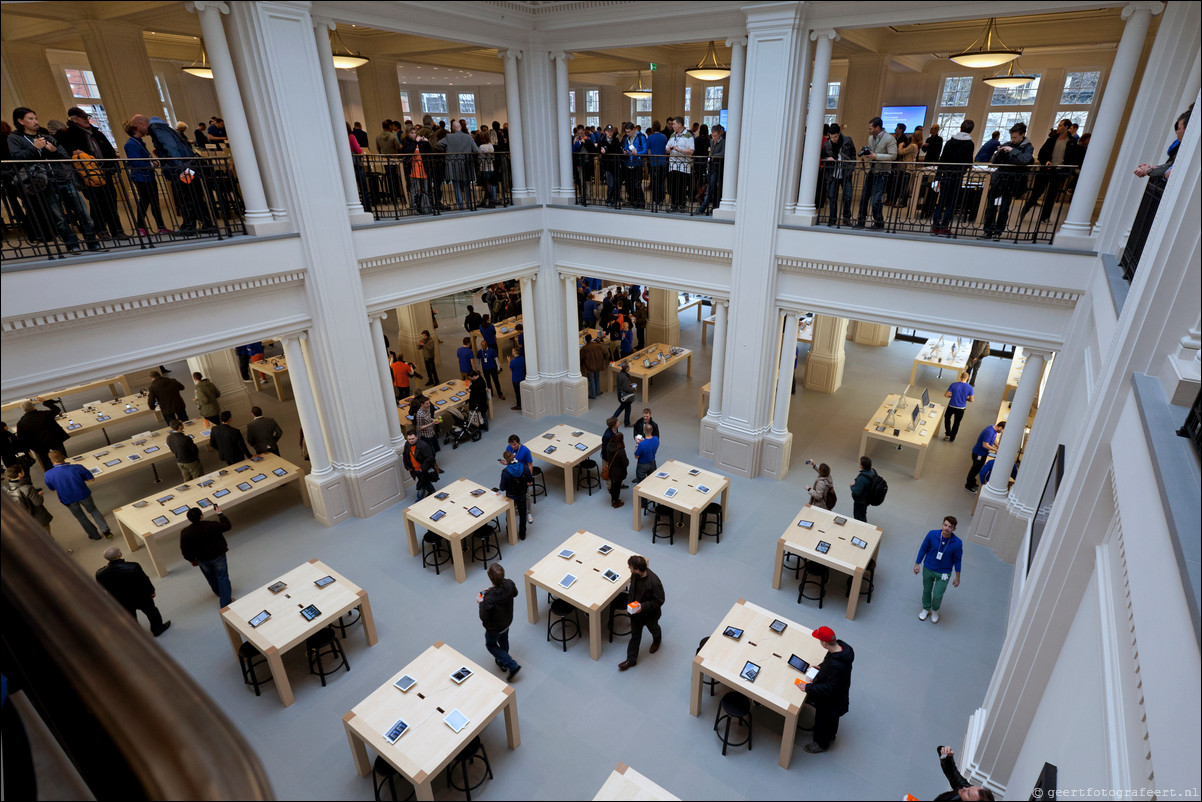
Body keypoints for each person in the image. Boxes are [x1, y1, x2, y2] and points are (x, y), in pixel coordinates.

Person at [130, 114, 215, 236]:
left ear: (141, 124)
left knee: (186, 196)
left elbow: (170, 147)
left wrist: (179, 168)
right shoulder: (163, 127)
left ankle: (189, 227)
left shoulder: (155, 128)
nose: (140, 132)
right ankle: (207, 224)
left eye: (137, 128)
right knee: (195, 195)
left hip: (183, 168)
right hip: (190, 166)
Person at [800, 626, 855, 753]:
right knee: (832, 720)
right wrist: (821, 667)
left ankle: (821, 744)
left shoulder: (837, 665)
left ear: (824, 643)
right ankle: (830, 735)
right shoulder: (841, 649)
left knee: (823, 720)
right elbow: (829, 662)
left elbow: (829, 689)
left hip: (831, 701)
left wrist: (808, 687)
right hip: (839, 697)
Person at [96, 547, 171, 636]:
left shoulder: (100, 573)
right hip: (140, 596)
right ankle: (157, 628)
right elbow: (144, 580)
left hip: (120, 600)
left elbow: (103, 587)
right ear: (119, 555)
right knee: (151, 611)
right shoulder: (133, 566)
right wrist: (151, 591)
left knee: (130, 617)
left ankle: (137, 633)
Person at [980, 123, 1034, 240]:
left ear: (1022, 135)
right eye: (1011, 137)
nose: (1012, 140)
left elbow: (1025, 160)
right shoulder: (1007, 144)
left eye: (1015, 137)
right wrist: (999, 152)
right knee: (991, 207)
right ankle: (987, 231)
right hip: (998, 180)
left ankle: (997, 232)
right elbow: (995, 162)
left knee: (1004, 208)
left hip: (1011, 182)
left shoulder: (1028, 147)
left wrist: (1012, 151)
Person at [44, 450, 112, 540]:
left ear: (52, 461)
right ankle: (106, 530)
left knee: (81, 517)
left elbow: (52, 488)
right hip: (83, 494)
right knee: (93, 510)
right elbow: (91, 479)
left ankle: (94, 535)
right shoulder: (77, 467)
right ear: (63, 457)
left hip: (68, 499)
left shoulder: (48, 474)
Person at [121, 120, 171, 236]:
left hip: (148, 176)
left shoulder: (139, 142)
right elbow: (136, 162)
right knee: (144, 202)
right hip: (141, 178)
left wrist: (152, 161)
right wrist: (151, 164)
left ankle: (161, 226)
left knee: (154, 202)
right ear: (135, 128)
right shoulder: (131, 144)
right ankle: (141, 227)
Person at [179, 505, 232, 607]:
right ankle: (225, 604)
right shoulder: (212, 525)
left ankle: (218, 592)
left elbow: (184, 549)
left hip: (202, 559)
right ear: (201, 516)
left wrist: (191, 560)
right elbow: (227, 526)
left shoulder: (185, 532)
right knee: (223, 578)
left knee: (210, 577)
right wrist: (220, 514)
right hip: (218, 556)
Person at [618, 554, 664, 670]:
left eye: (630, 567)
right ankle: (631, 660)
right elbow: (632, 590)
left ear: (637, 569)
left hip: (650, 614)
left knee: (654, 629)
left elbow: (659, 600)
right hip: (635, 614)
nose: (629, 569)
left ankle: (657, 639)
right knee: (635, 636)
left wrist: (642, 606)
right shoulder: (634, 575)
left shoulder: (654, 582)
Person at [914, 516, 963, 623]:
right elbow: (923, 548)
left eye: (950, 527)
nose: (946, 528)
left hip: (944, 573)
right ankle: (926, 608)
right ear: (942, 524)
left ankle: (935, 610)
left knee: (937, 595)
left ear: (954, 529)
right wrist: (917, 563)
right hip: (929, 568)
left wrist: (957, 577)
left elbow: (958, 561)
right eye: (945, 525)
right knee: (927, 590)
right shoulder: (932, 534)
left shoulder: (957, 543)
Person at [479, 563, 521, 680]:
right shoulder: (510, 583)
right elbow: (515, 593)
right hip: (507, 621)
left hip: (494, 628)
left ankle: (511, 665)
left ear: (490, 578)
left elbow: (483, 617)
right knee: (504, 639)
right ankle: (503, 663)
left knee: (491, 645)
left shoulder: (488, 598)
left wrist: (481, 602)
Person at [855, 117, 897, 229]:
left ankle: (879, 223)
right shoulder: (870, 138)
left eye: (870, 128)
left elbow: (893, 156)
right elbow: (872, 151)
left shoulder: (890, 139)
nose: (868, 130)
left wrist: (876, 156)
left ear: (877, 127)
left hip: (883, 173)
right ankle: (861, 222)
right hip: (872, 171)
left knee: (876, 200)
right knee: (864, 198)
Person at [16, 399, 69, 471]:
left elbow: (22, 438)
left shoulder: (21, 423)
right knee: (61, 457)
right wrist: (45, 402)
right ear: (33, 407)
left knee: (46, 463)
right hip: (54, 441)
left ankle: (51, 475)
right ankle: (67, 470)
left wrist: (31, 447)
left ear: (23, 410)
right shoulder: (45, 414)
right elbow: (56, 409)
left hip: (39, 446)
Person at [5, 464, 55, 539]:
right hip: (38, 517)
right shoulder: (27, 487)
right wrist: (39, 495)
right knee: (47, 538)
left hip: (25, 519)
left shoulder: (8, 489)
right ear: (20, 474)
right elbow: (38, 502)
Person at [820, 123, 857, 226]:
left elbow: (853, 155)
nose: (833, 139)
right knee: (832, 196)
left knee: (848, 196)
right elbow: (823, 155)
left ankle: (846, 218)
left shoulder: (847, 141)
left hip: (845, 173)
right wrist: (827, 158)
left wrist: (850, 169)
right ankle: (832, 218)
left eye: (835, 137)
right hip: (832, 174)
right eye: (831, 137)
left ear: (839, 133)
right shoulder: (827, 144)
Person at [665, 117, 694, 212]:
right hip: (673, 165)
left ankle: (682, 206)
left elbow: (691, 150)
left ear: (680, 124)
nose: (672, 126)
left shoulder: (688, 135)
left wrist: (680, 150)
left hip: (683, 166)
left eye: (674, 124)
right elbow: (666, 147)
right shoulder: (672, 135)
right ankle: (673, 205)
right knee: (672, 187)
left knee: (681, 186)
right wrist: (668, 149)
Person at [499, 450, 530, 540]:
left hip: (511, 497)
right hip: (522, 494)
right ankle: (522, 534)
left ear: (506, 460)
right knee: (523, 514)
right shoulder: (523, 466)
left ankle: (510, 533)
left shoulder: (505, 472)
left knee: (510, 516)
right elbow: (529, 478)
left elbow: (502, 487)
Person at [966, 421, 1005, 492]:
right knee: (974, 469)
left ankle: (972, 481)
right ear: (1000, 427)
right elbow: (985, 445)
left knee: (977, 469)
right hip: (979, 454)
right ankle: (968, 485)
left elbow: (993, 439)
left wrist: (998, 446)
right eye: (1002, 430)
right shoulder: (989, 432)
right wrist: (996, 450)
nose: (1002, 432)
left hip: (983, 453)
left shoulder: (994, 429)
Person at [402, 431, 437, 500]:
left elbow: (430, 458)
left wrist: (422, 468)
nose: (411, 441)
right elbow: (405, 455)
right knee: (425, 481)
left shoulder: (423, 445)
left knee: (421, 485)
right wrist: (407, 466)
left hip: (423, 470)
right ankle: (432, 491)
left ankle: (419, 500)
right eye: (409, 439)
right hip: (414, 470)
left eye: (413, 439)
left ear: (416, 437)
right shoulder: (407, 444)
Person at [943, 372, 974, 442]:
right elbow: (972, 400)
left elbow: (946, 395)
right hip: (961, 408)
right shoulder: (970, 388)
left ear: (960, 377)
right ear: (968, 378)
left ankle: (948, 433)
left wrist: (952, 396)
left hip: (951, 406)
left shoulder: (954, 385)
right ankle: (952, 438)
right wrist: (966, 399)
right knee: (957, 423)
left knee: (947, 418)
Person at [633, 423, 659, 508]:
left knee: (641, 484)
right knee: (651, 481)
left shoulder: (642, 444)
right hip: (652, 463)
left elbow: (636, 456)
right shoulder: (656, 439)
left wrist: (637, 444)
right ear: (652, 431)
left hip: (642, 465)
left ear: (644, 431)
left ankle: (644, 503)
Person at [605, 431, 630, 509]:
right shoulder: (621, 451)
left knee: (613, 486)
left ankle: (613, 500)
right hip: (619, 472)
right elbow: (625, 463)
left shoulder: (608, 446)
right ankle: (616, 502)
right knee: (617, 487)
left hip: (611, 470)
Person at [849, 456, 877, 523]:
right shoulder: (873, 471)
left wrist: (852, 486)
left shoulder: (862, 478)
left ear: (862, 466)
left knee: (859, 517)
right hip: (868, 498)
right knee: (863, 513)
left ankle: (861, 528)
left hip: (861, 501)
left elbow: (857, 492)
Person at [580, 333, 607, 399]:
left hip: (589, 366)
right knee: (597, 378)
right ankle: (597, 392)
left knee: (591, 380)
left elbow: (581, 358)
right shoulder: (598, 346)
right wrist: (602, 360)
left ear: (586, 340)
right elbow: (605, 353)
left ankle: (593, 394)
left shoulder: (584, 349)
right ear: (591, 339)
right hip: (598, 365)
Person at [509, 345, 526, 411]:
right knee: (522, 391)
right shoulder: (522, 358)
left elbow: (510, 369)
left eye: (513, 351)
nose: (512, 352)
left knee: (517, 392)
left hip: (515, 379)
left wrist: (509, 361)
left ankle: (518, 405)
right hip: (522, 378)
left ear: (515, 352)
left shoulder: (513, 362)